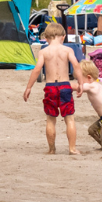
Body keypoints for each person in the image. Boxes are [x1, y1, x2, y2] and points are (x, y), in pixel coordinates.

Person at [21, 23, 81, 155]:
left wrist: (29, 87)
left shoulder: (43, 51)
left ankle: (52, 149)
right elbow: (76, 65)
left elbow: (37, 70)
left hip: (50, 87)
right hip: (65, 85)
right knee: (69, 118)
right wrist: (80, 82)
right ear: (63, 37)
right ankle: (72, 149)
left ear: (46, 38)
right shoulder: (67, 50)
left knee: (50, 119)